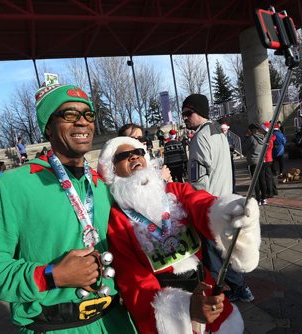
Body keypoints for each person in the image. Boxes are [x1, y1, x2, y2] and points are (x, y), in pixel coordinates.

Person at [0, 84, 136, 333]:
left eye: (88, 115)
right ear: (48, 127)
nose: (82, 122)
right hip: (53, 327)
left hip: (115, 322)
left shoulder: (102, 185)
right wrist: (50, 275)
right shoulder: (14, 185)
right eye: (69, 115)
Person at [97, 136, 260, 333]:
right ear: (111, 169)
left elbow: (202, 205)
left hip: (205, 288)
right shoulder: (117, 219)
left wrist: (229, 210)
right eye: (123, 155)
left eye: (138, 152)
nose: (134, 157)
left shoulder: (175, 191)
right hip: (166, 304)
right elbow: (132, 279)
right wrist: (184, 309)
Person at [181, 93, 254, 303]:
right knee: (222, 251)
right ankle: (238, 287)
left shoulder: (200, 138)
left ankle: (239, 289)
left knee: (214, 257)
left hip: (209, 206)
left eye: (188, 113)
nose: (185, 118)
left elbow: (198, 180)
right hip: (224, 200)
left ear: (200, 112)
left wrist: (193, 206)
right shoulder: (218, 133)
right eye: (183, 113)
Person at [220, 122, 237, 193]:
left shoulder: (229, 138)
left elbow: (233, 147)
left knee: (232, 175)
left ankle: (233, 190)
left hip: (229, 158)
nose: (224, 132)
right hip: (222, 160)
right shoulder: (218, 139)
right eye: (223, 130)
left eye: (225, 130)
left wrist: (231, 147)